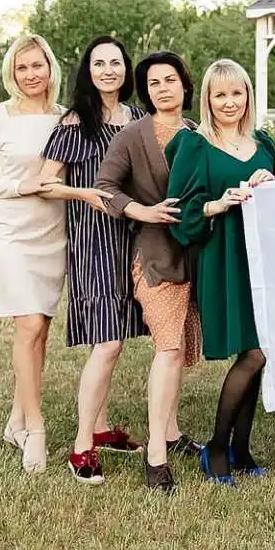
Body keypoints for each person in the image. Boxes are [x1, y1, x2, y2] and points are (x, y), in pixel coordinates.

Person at [36, 35, 146, 484]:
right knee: (109, 341)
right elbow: (45, 183)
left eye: (115, 62)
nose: (108, 70)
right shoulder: (74, 121)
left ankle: (101, 428)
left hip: (134, 238)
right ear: (88, 71)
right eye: (99, 63)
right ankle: (82, 446)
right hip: (94, 241)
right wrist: (85, 194)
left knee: (117, 336)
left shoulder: (138, 119)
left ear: (126, 70)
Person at [95, 51, 204, 492]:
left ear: (184, 85)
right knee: (169, 349)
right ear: (145, 90)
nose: (163, 88)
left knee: (181, 349)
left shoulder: (198, 132)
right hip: (155, 259)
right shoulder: (133, 135)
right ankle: (156, 454)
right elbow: (104, 187)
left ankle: (172, 433)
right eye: (154, 83)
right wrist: (141, 210)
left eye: (170, 80)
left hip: (195, 256)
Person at [167, 59, 275, 488]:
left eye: (237, 93)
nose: (229, 102)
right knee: (254, 352)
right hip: (222, 255)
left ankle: (241, 449)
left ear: (247, 95)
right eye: (220, 95)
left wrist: (270, 182)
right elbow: (181, 211)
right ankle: (216, 448)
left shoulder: (263, 143)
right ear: (208, 100)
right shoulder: (196, 145)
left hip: (260, 257)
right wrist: (218, 203)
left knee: (259, 349)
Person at [0, 34, 66, 474]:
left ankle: (16, 419)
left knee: (40, 330)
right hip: (9, 232)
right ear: (12, 74)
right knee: (29, 325)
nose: (30, 74)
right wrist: (19, 186)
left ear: (50, 68)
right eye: (22, 68)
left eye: (37, 65)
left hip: (53, 233)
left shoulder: (65, 118)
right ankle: (34, 429)